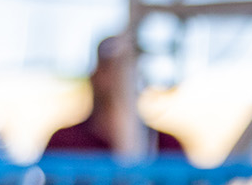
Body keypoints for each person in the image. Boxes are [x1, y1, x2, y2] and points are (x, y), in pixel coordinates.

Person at [45, 35, 185, 158]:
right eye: (115, 66)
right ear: (96, 75)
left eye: (131, 67)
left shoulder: (168, 146)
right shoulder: (64, 142)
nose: (123, 77)